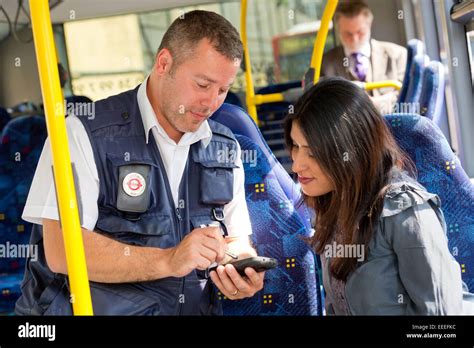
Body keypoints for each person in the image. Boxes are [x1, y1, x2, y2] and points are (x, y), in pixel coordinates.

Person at [16, 10, 264, 315]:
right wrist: (169, 260)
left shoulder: (225, 146)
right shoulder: (82, 132)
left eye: (223, 90)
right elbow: (62, 250)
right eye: (202, 85)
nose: (211, 102)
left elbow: (236, 238)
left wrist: (240, 266)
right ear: (164, 63)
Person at [284, 77, 469, 315]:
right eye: (296, 146)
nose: (296, 165)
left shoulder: (404, 212)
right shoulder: (332, 204)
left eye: (312, 153)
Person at [321, 1, 407, 114]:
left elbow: (407, 96)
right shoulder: (326, 62)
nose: (355, 39)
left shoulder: (397, 55)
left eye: (360, 32)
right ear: (338, 31)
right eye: (348, 34)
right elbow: (323, 104)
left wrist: (375, 104)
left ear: (369, 25)